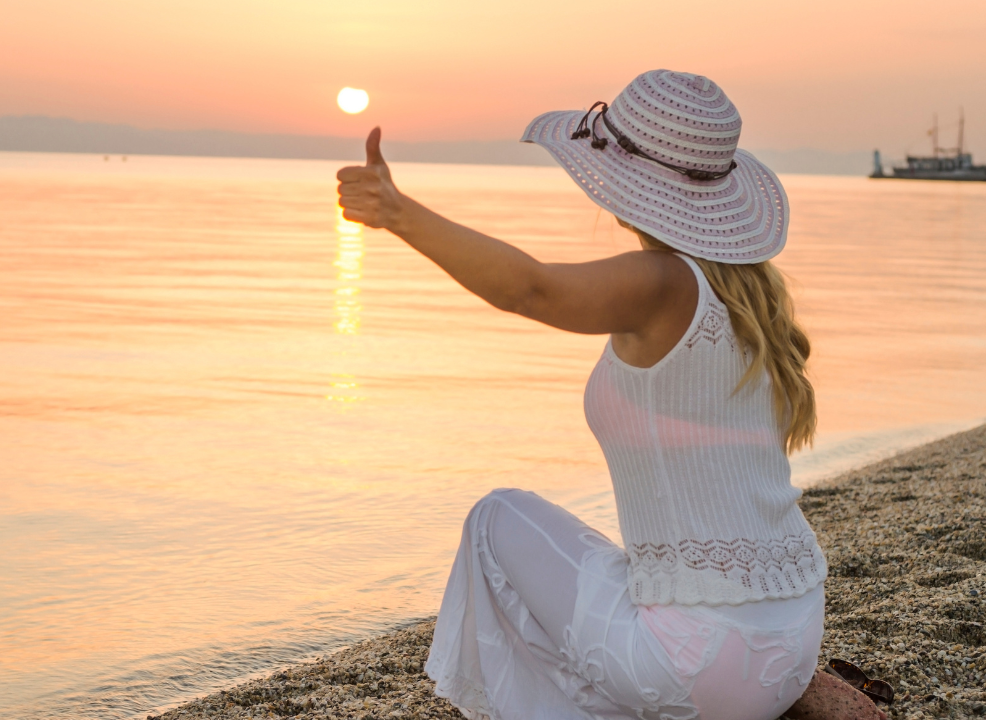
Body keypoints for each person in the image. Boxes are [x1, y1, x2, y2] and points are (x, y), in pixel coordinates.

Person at [336, 70, 886, 720]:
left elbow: (530, 289)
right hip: (791, 638)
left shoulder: (660, 283)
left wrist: (399, 213)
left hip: (703, 667)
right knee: (630, 564)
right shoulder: (753, 297)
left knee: (497, 519)